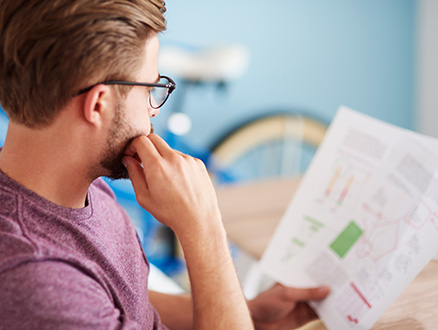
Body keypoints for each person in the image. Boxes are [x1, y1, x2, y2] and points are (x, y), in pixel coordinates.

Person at [0, 0, 330, 329]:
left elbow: (118, 300)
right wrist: (203, 228)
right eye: (149, 90)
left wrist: (249, 313)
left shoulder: (66, 181)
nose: (154, 110)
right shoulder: (37, 281)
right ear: (98, 104)